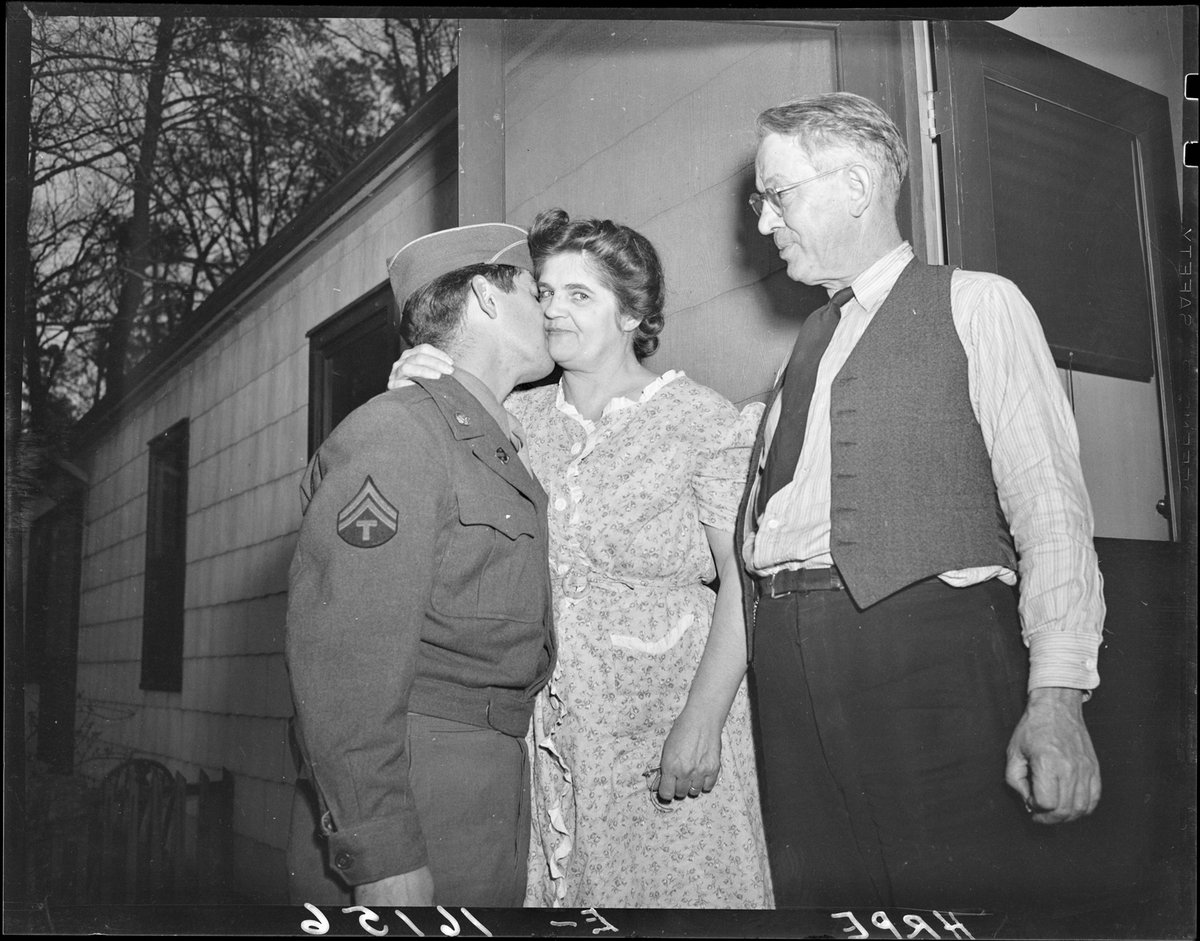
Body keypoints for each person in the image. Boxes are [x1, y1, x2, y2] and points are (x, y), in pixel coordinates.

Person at [736, 91, 1105, 911]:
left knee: (947, 904)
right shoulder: (804, 347)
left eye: (777, 194)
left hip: (923, 652)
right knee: (822, 906)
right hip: (790, 656)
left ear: (856, 186)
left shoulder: (978, 302)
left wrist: (1056, 697)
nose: (762, 221)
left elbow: (1050, 509)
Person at [391, 209, 773, 908]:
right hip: (547, 732)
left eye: (579, 294)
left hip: (663, 719)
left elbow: (743, 584)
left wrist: (702, 720)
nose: (553, 310)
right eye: (544, 292)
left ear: (632, 313)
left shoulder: (701, 419)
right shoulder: (514, 417)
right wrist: (415, 387)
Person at [285, 223, 557, 907]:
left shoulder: (486, 437)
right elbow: (345, 661)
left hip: (480, 786)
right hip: (415, 784)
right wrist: (381, 852)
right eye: (535, 291)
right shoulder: (399, 431)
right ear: (487, 297)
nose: (548, 308)